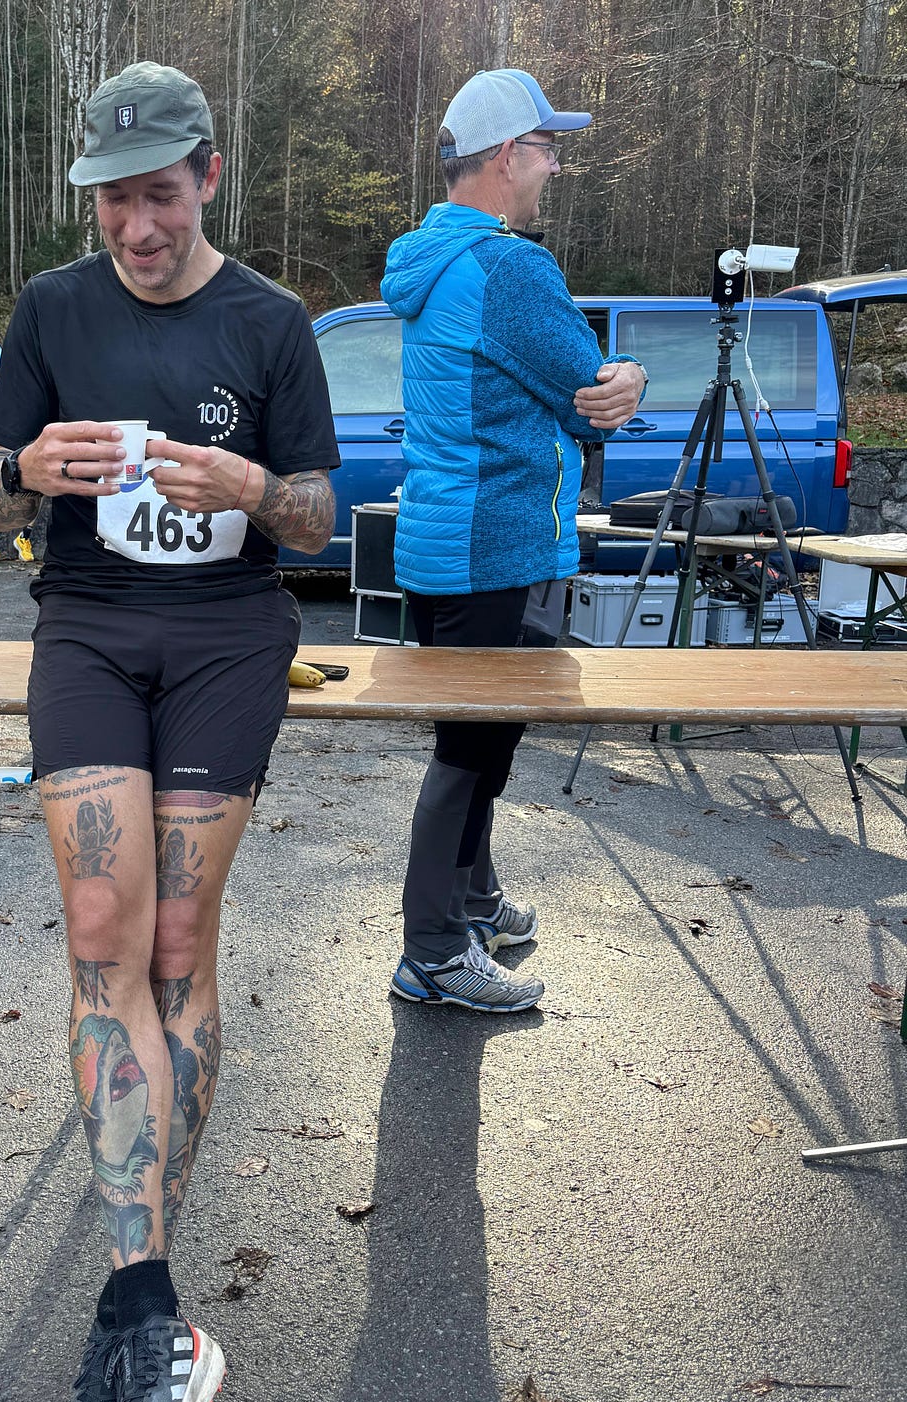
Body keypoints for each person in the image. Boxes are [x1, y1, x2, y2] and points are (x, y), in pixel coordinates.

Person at [0, 61, 338, 1402]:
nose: (137, 223)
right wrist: (24, 467)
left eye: (159, 192)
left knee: (179, 951)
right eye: (114, 198)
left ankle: (143, 1285)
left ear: (207, 175)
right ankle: (149, 1304)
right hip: (88, 630)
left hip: (227, 640)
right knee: (99, 921)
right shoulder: (53, 310)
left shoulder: (273, 324)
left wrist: (251, 489)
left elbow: (323, 519)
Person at [381, 68, 647, 1013]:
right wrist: (629, 381)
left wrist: (605, 389)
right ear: (505, 159)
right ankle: (434, 951)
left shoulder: (429, 259)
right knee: (472, 749)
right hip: (497, 548)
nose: (554, 166)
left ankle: (475, 896)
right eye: (545, 150)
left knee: (477, 732)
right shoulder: (512, 268)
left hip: (436, 543)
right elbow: (591, 396)